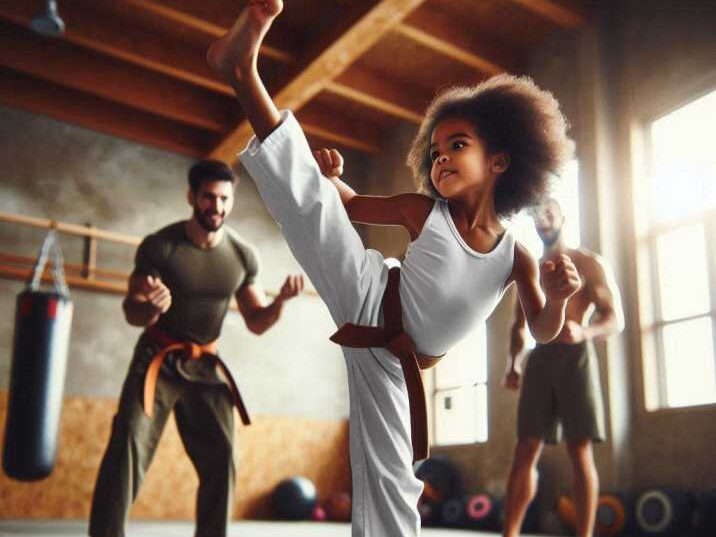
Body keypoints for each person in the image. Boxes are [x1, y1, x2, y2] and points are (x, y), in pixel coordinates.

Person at [206, 2, 580, 535]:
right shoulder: (423, 211)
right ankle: (242, 71)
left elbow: (543, 328)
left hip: (396, 367)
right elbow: (351, 206)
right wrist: (329, 178)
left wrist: (559, 299)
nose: (440, 158)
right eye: (434, 152)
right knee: (311, 203)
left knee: (397, 482)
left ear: (500, 161)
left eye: (457, 145)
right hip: (371, 297)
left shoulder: (515, 254)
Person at [88, 159, 304, 537]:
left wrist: (279, 303)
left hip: (206, 364)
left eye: (224, 199)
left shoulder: (241, 255)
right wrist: (149, 307)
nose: (216, 207)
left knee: (222, 459)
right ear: (192, 196)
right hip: (157, 359)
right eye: (208, 197)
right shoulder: (160, 247)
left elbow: (256, 321)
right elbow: (132, 311)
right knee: (126, 448)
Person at [502, 197, 624, 537]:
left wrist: (584, 330)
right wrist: (511, 364)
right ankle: (509, 533)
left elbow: (616, 319)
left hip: (576, 357)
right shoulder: (530, 267)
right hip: (540, 359)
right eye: (537, 216)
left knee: (579, 449)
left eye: (549, 214)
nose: (543, 220)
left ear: (562, 218)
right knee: (525, 448)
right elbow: (518, 325)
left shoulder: (588, 263)